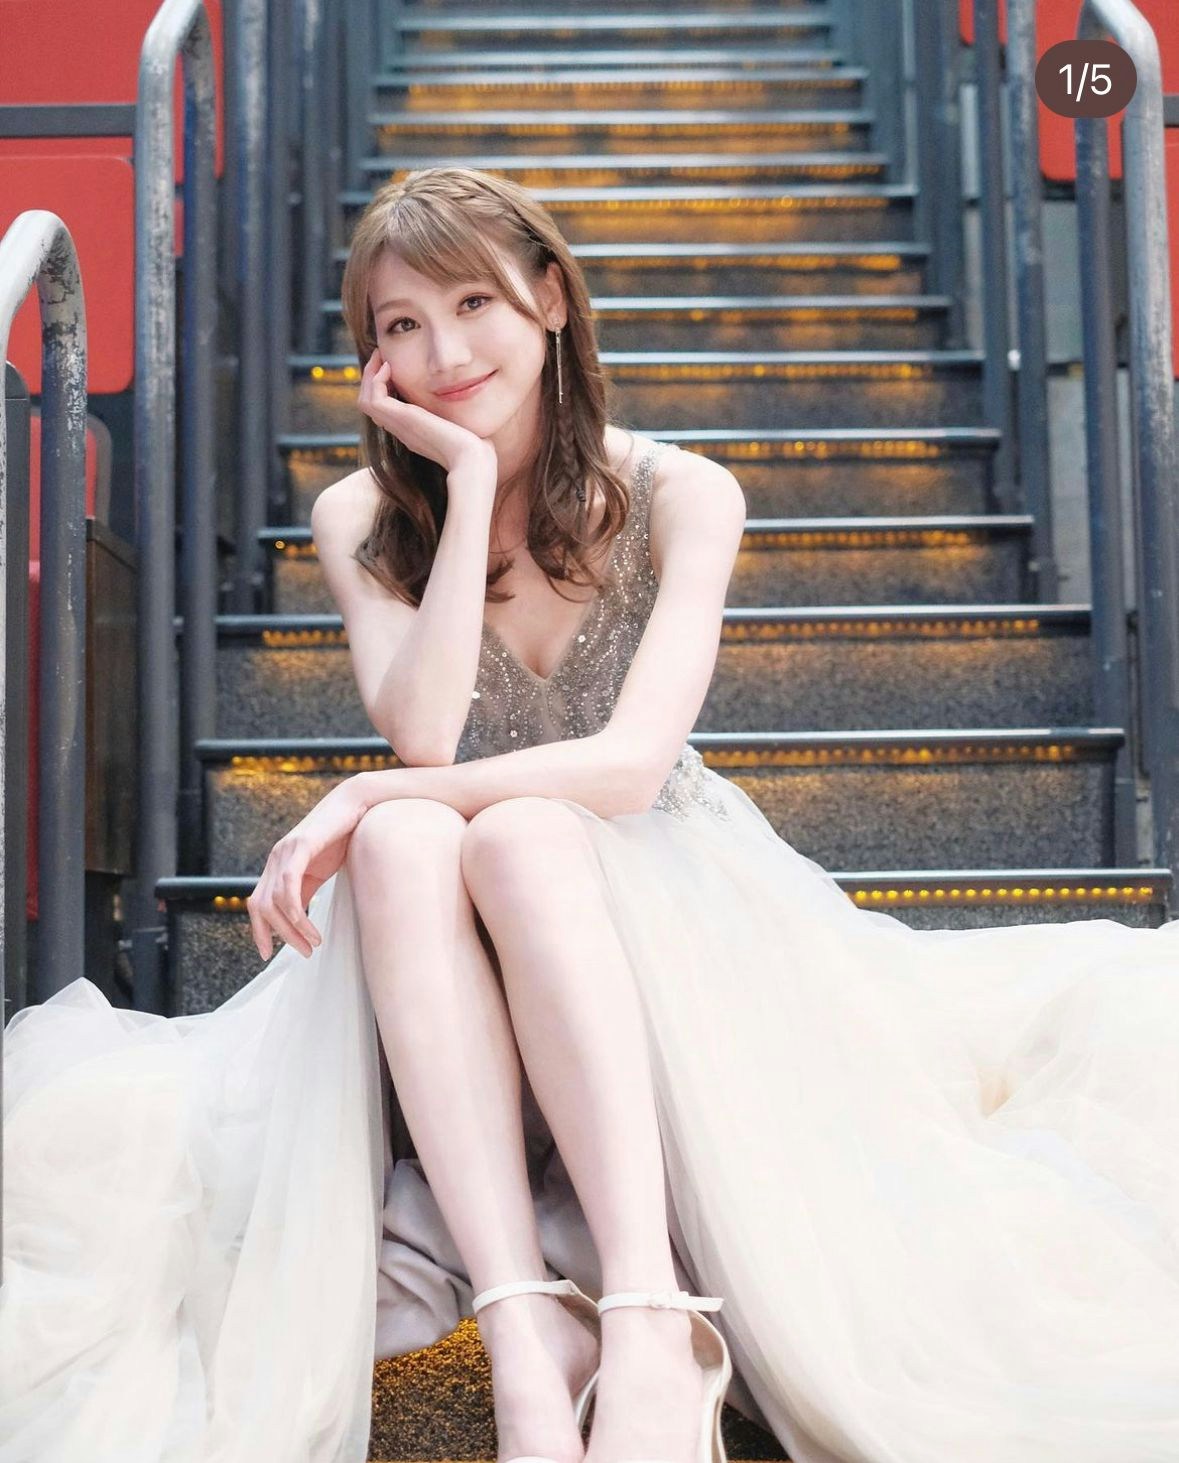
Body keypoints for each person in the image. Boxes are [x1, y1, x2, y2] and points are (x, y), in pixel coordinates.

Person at [3, 167, 1179, 1463]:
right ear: (372, 359)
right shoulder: (359, 515)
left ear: (551, 299)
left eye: (474, 303)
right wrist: (460, 492)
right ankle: (523, 1325)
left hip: (656, 899)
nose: (445, 353)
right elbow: (428, 735)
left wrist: (370, 786)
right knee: (410, 835)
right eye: (401, 325)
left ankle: (648, 1313)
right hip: (443, 922)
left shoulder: (684, 492)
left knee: (499, 829)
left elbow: (624, 771)